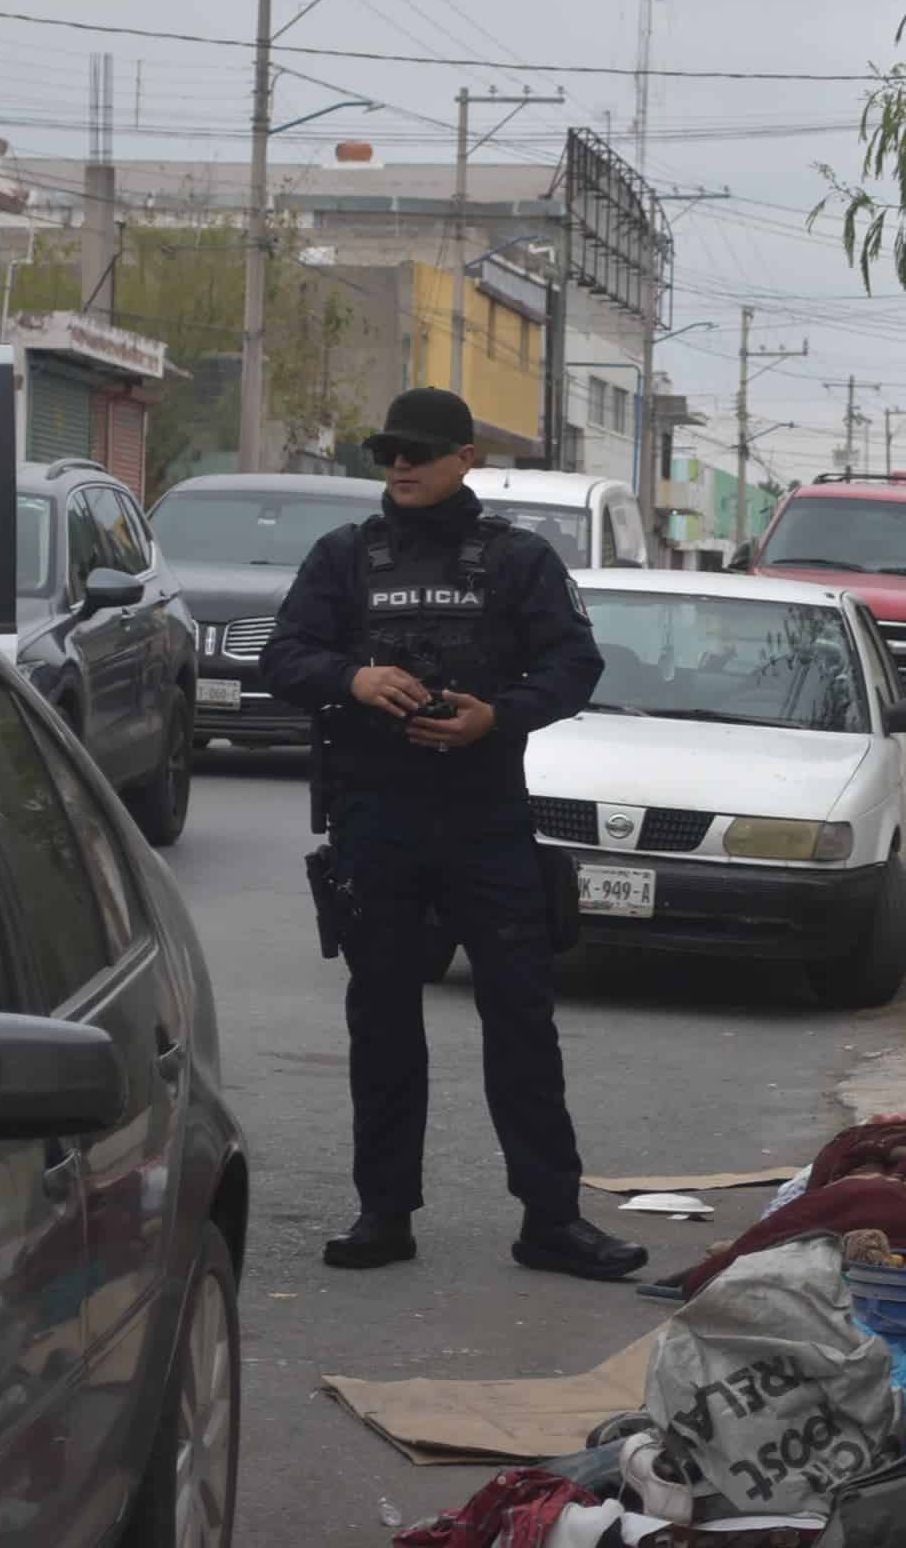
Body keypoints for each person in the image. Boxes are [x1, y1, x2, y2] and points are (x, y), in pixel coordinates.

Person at [259, 386, 646, 1281]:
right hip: (375, 820)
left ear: (466, 457)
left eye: (420, 452)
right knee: (382, 1022)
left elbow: (574, 663)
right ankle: (384, 1214)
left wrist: (496, 717)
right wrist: (354, 680)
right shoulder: (345, 558)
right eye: (390, 451)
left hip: (484, 818)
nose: (401, 465)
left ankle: (550, 1219)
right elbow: (282, 656)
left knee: (521, 1019)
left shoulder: (516, 560)